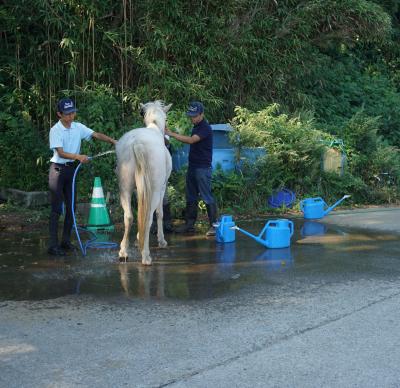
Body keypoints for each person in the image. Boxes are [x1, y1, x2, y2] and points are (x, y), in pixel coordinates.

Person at [47, 98, 117, 256]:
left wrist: (112, 141)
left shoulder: (78, 127)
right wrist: (78, 157)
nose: (71, 116)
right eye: (67, 114)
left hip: (71, 171)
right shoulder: (55, 130)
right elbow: (61, 152)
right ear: (59, 114)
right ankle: (53, 245)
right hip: (57, 171)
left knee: (72, 208)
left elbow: (95, 134)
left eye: (73, 113)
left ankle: (65, 241)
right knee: (57, 209)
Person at [165, 101, 218, 236]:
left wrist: (171, 134)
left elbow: (191, 140)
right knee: (191, 196)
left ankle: (214, 225)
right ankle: (189, 225)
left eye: (194, 116)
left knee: (206, 196)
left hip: (203, 168)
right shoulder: (196, 126)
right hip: (193, 167)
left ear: (201, 114)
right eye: (191, 116)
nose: (192, 118)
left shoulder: (205, 128)